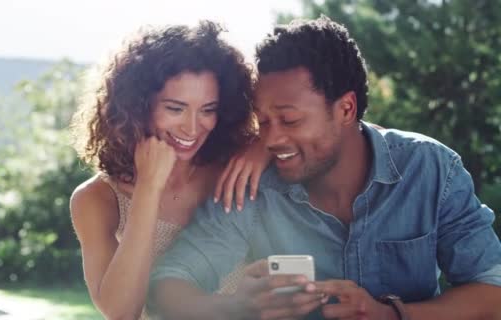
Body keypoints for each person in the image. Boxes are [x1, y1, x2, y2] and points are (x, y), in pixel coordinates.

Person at [149, 16, 501, 320]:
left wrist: (391, 315)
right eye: (263, 123)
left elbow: (492, 290)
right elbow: (168, 283)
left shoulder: (432, 169)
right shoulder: (252, 187)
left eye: (289, 119)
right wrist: (234, 307)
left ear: (346, 109)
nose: (270, 140)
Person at [69, 21, 271, 320]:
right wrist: (148, 188)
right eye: (175, 109)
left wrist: (264, 145)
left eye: (208, 109)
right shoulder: (96, 199)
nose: (192, 127)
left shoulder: (238, 168)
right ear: (139, 105)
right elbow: (122, 313)